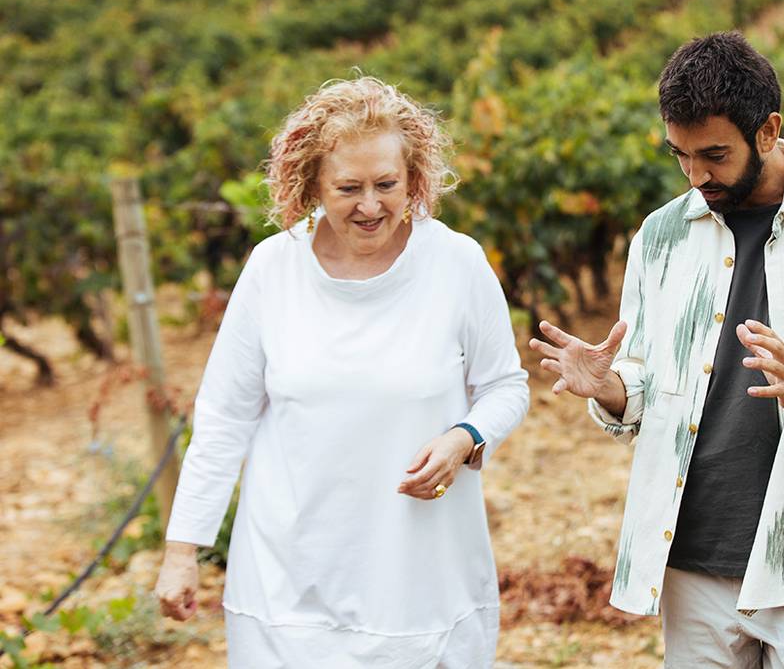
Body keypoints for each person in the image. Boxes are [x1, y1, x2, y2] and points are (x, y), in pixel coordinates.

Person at [531, 32, 784, 668]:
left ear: (767, 131)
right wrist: (611, 389)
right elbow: (644, 386)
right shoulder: (659, 236)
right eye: (680, 155)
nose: (696, 175)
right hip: (692, 550)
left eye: (713, 155)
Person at [154, 76, 529, 668]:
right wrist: (182, 552)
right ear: (311, 184)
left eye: (387, 184)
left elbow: (505, 386)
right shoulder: (271, 270)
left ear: (414, 178)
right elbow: (224, 418)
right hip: (287, 589)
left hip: (422, 582)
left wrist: (466, 437)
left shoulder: (456, 263)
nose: (371, 205)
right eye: (348, 187)